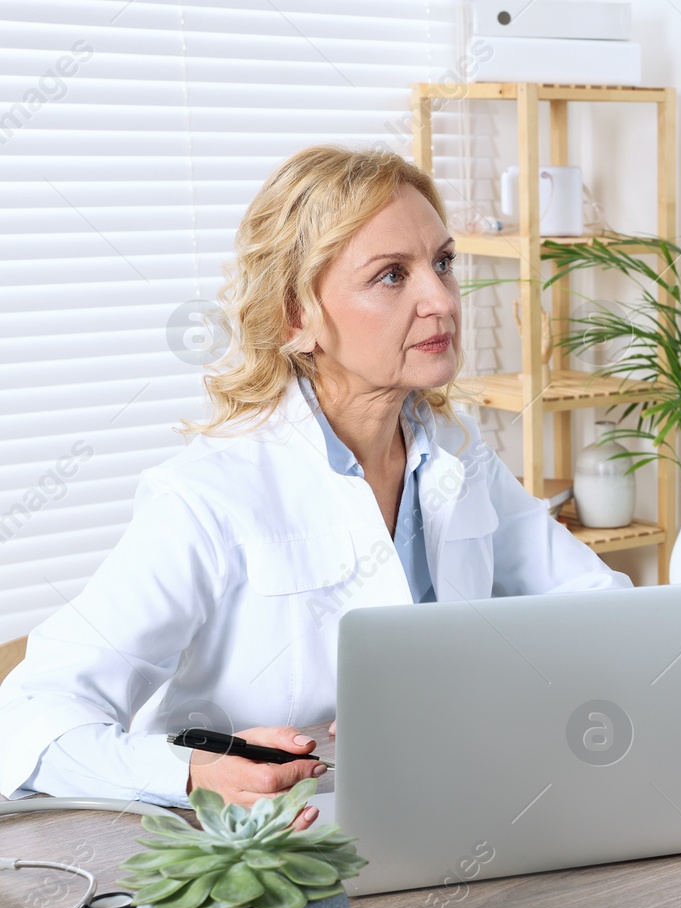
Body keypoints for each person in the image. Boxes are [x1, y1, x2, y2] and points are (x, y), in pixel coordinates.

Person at [0, 146, 629, 830]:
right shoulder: (206, 497)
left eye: (442, 263)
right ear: (295, 318)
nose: (442, 299)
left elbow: (602, 613)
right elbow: (30, 718)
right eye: (392, 275)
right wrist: (190, 772)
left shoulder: (454, 454)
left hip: (439, 820)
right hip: (268, 861)